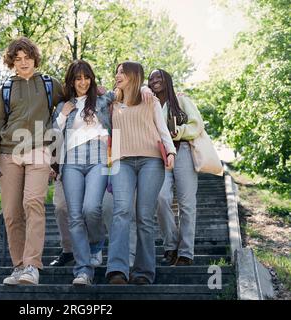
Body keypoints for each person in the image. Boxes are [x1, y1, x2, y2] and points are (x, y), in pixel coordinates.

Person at [0, 37, 63, 285]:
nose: (23, 62)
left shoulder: (50, 84)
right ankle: (18, 267)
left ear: (34, 58)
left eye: (27, 57)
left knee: (33, 203)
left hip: (40, 150)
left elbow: (77, 95)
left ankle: (32, 265)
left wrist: (100, 92)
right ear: (11, 62)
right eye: (17, 59)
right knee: (11, 213)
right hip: (9, 154)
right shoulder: (4, 90)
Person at [105, 61, 176, 285]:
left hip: (151, 161)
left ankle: (144, 272)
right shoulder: (112, 102)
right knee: (121, 212)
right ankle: (117, 269)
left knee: (144, 217)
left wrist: (171, 151)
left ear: (134, 76)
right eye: (116, 72)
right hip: (122, 162)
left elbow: (162, 128)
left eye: (122, 73)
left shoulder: (149, 99)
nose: (117, 76)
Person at [52, 60, 112, 286]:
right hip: (72, 162)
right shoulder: (63, 106)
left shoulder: (103, 100)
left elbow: (127, 90)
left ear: (92, 79)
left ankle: (96, 244)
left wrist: (146, 89)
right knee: (75, 216)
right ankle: (83, 271)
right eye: (78, 78)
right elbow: (53, 135)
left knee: (91, 209)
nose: (83, 82)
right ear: (71, 81)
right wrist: (62, 115)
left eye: (86, 77)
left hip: (97, 159)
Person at [148, 69, 204, 266]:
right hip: (159, 156)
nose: (155, 80)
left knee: (187, 204)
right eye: (151, 78)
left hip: (183, 152)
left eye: (159, 77)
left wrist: (178, 131)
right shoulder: (149, 103)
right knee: (161, 198)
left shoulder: (181, 101)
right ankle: (170, 246)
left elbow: (197, 125)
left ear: (168, 80)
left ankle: (186, 252)